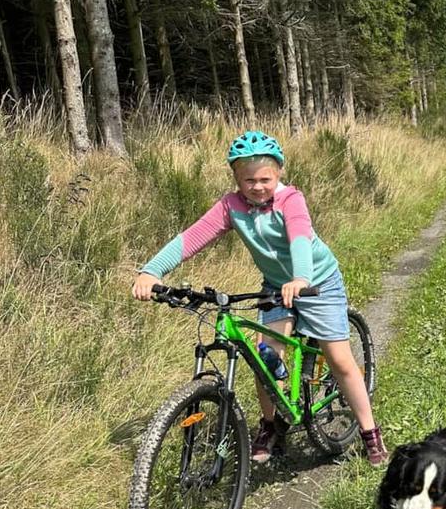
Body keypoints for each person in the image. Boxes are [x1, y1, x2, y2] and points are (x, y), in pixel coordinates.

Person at [132, 130, 387, 466]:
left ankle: (370, 433)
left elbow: (298, 236)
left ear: (278, 173)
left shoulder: (290, 199)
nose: (257, 187)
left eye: (265, 179)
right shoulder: (231, 206)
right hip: (275, 286)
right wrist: (152, 271)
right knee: (263, 354)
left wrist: (301, 278)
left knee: (339, 360)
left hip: (316, 281)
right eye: (248, 180)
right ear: (236, 178)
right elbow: (192, 237)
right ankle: (269, 424)